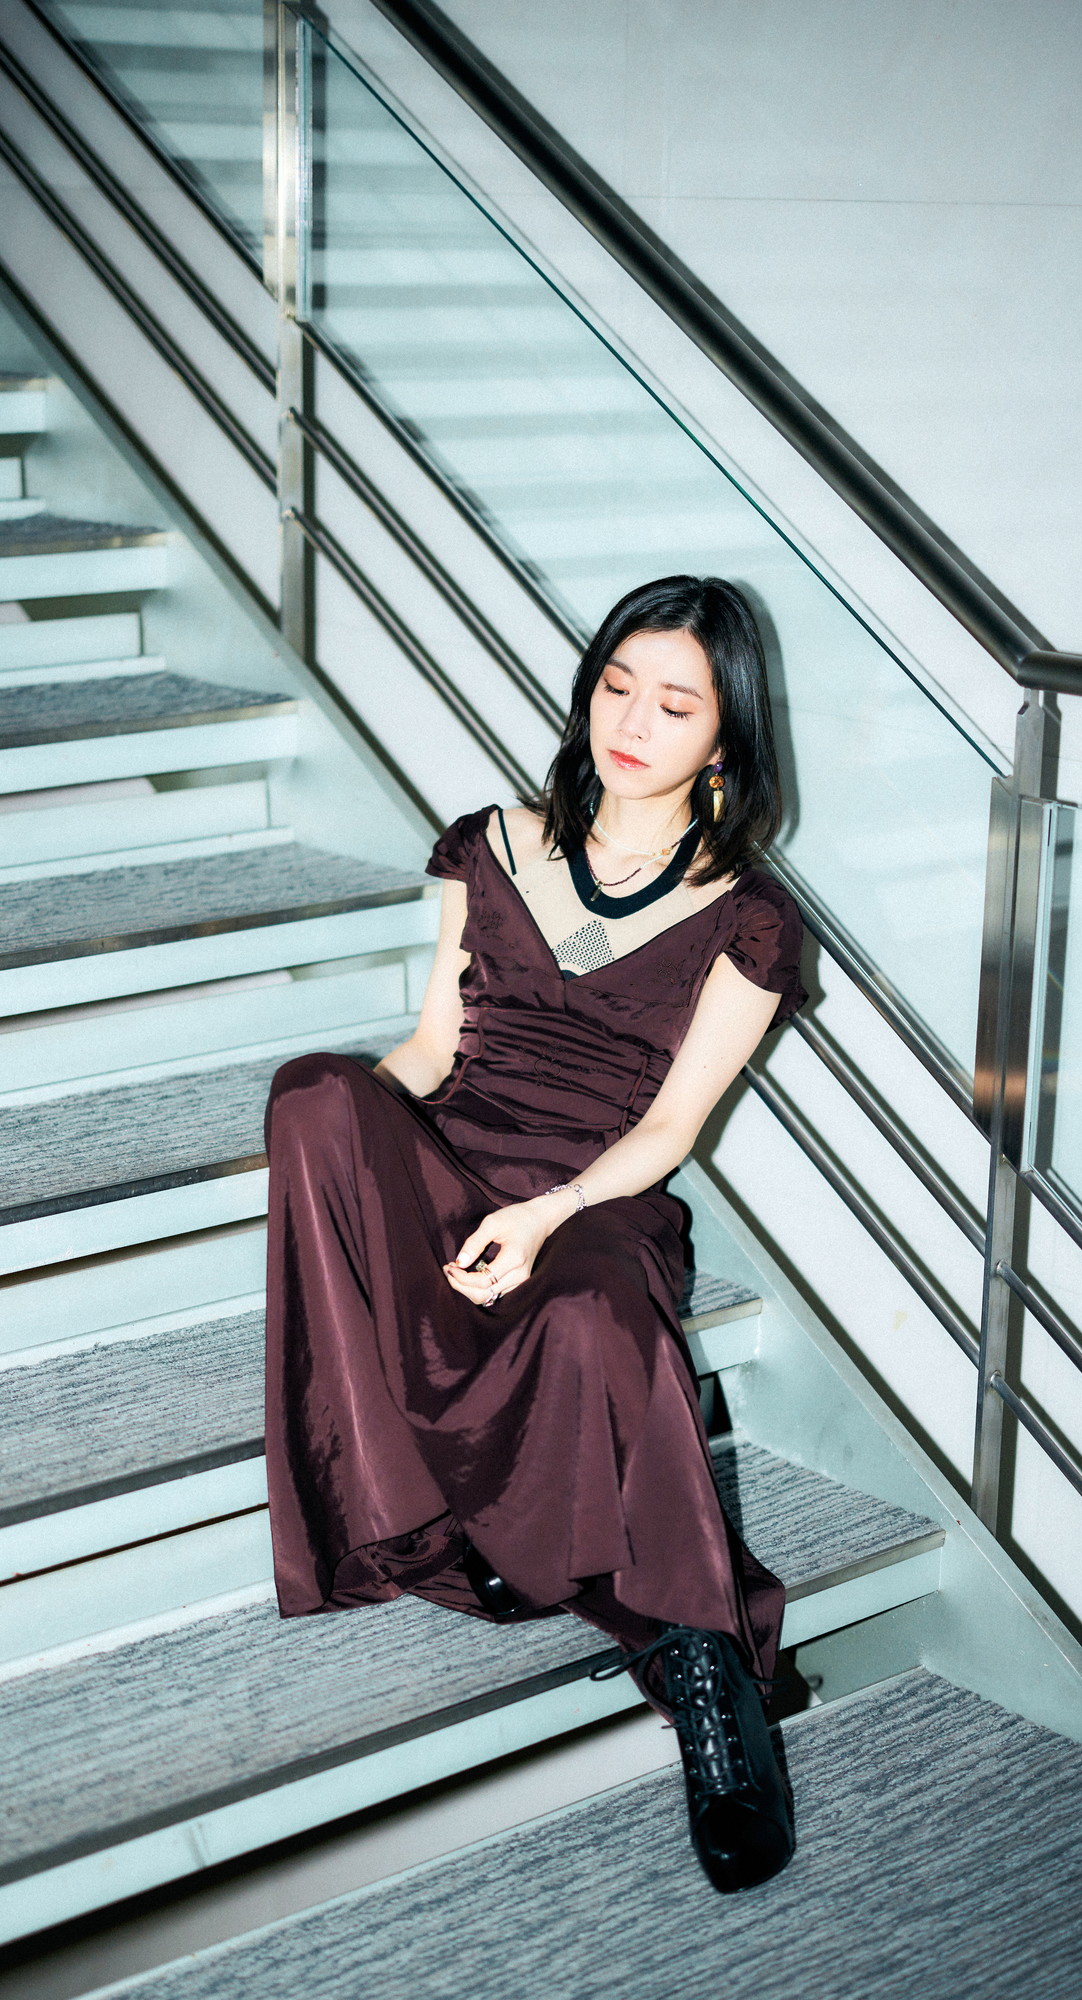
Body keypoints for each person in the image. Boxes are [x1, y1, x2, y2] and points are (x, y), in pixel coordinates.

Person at [264, 574, 807, 1894]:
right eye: (616, 686)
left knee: (601, 1311)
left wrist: (548, 1213)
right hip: (457, 1157)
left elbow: (671, 1126)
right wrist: (347, 1156)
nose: (632, 722)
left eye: (674, 703)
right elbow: (431, 1048)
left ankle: (702, 1671)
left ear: (724, 738)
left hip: (597, 1201)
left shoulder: (749, 918)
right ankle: (416, 1517)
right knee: (313, 1092)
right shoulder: (492, 845)